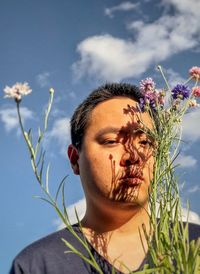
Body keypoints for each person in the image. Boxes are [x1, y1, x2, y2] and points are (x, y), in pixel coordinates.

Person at [10, 83, 199, 274]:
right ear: (75, 159)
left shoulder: (194, 243)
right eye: (111, 141)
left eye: (144, 142)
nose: (133, 156)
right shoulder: (38, 265)